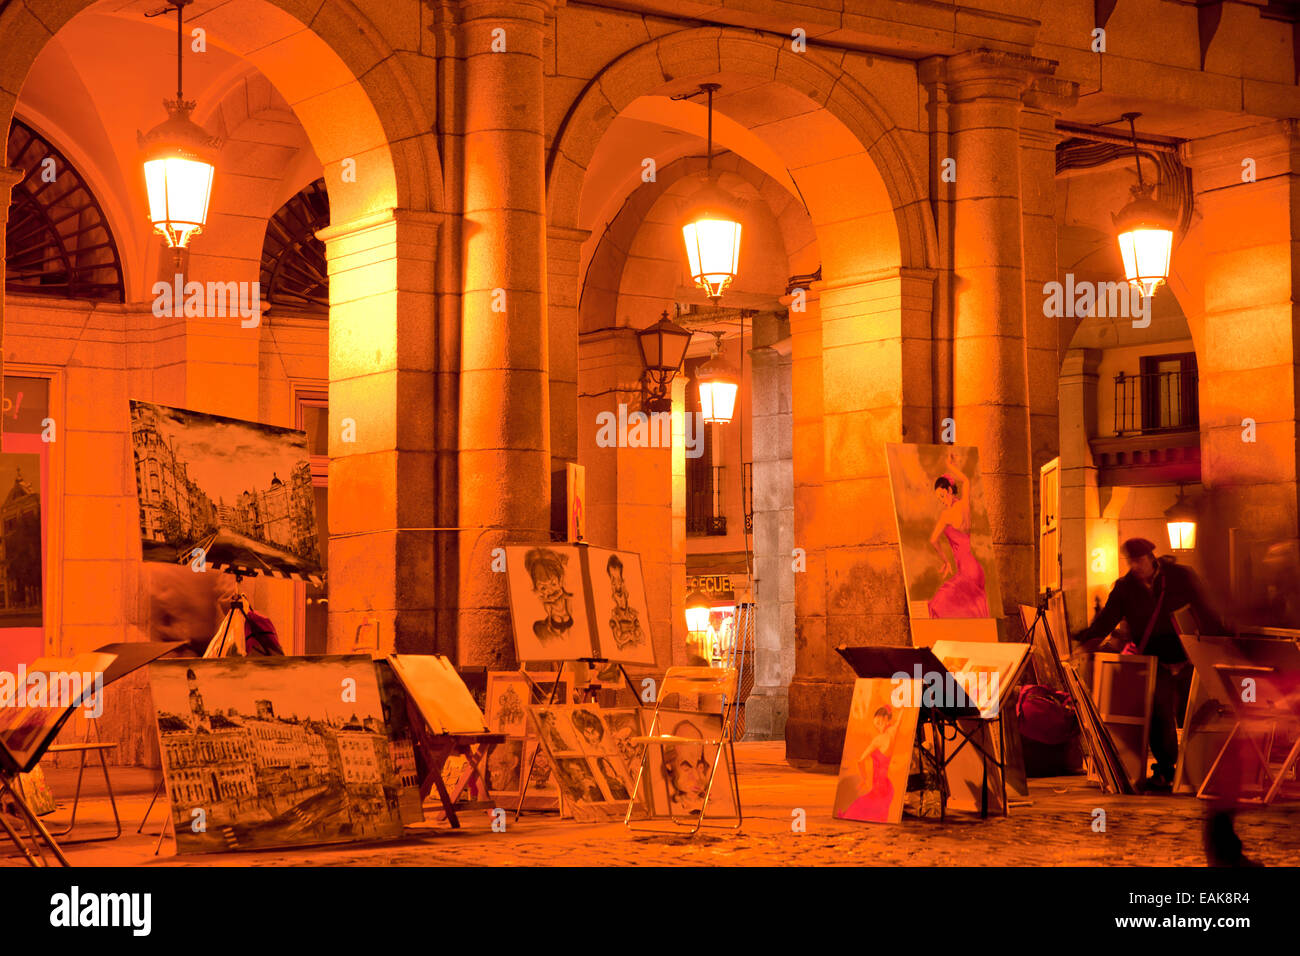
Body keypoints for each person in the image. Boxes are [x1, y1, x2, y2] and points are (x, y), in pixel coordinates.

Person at [1072, 537, 1225, 791]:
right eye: (1131, 561)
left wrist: (1218, 643)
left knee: (1198, 714)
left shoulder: (1180, 577)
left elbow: (1205, 608)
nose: (1135, 566)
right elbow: (1107, 619)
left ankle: (1200, 771)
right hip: (1155, 659)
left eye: (1139, 560)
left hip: (1189, 655)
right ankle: (1166, 770)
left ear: (1151, 558)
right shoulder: (1125, 588)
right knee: (1158, 713)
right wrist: (1086, 638)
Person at [927, 457, 989, 618]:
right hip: (975, 569)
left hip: (967, 572)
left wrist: (946, 561)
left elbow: (933, 540)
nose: (941, 500)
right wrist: (950, 466)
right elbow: (966, 481)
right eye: (938, 498)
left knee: (938, 604)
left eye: (942, 495)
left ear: (949, 490)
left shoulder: (946, 515)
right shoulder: (964, 504)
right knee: (967, 614)